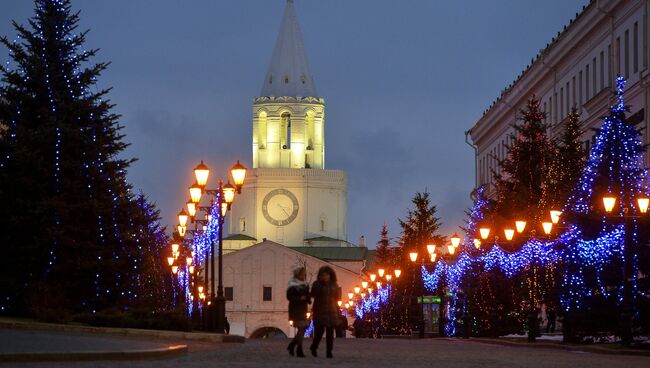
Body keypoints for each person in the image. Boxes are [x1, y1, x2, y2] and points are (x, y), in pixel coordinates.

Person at [309, 266, 340, 358]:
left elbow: (337, 298)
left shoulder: (334, 285)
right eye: (323, 275)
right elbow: (313, 294)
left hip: (331, 311)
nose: (325, 277)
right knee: (319, 332)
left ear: (330, 275)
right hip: (319, 311)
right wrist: (321, 285)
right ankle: (314, 347)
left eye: (326, 275)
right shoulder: (316, 284)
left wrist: (337, 311)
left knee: (330, 333)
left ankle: (329, 352)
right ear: (320, 276)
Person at [286, 266, 310, 357]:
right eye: (302, 273)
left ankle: (292, 345)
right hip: (295, 309)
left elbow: (307, 294)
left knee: (303, 329)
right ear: (298, 274)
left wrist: (308, 298)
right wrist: (300, 298)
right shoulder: (292, 284)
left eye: (304, 274)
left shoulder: (305, 284)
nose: (303, 275)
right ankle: (299, 349)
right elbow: (289, 296)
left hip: (303, 308)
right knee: (301, 328)